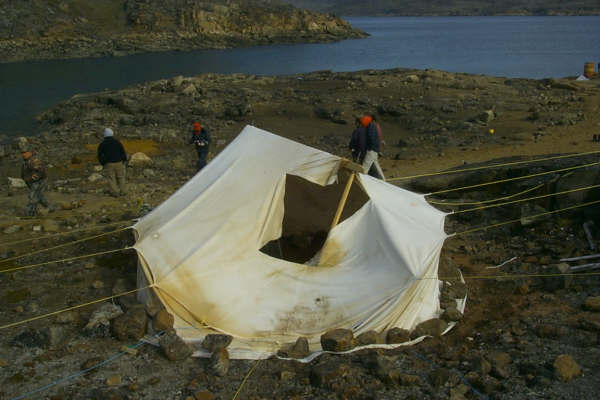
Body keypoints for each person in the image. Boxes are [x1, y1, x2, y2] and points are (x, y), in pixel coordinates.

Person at [97, 127, 127, 197]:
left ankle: (115, 193)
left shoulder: (103, 144)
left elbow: (99, 155)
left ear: (105, 135)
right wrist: (124, 160)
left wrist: (103, 163)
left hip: (109, 164)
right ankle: (123, 191)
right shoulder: (117, 142)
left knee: (111, 178)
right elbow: (122, 152)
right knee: (121, 177)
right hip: (119, 162)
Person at [21, 149, 51, 216]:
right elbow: (23, 173)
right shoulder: (25, 162)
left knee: (32, 196)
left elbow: (41, 172)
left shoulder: (35, 161)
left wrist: (32, 179)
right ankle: (50, 208)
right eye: (22, 153)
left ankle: (29, 213)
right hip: (31, 182)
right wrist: (25, 179)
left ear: (30, 153)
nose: (23, 154)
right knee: (39, 197)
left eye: (25, 153)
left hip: (38, 182)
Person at [360, 115, 385, 180]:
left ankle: (360, 180)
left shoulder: (371, 126)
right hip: (375, 149)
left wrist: (369, 147)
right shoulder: (373, 125)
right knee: (377, 166)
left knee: (365, 166)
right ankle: (383, 180)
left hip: (371, 149)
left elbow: (371, 137)